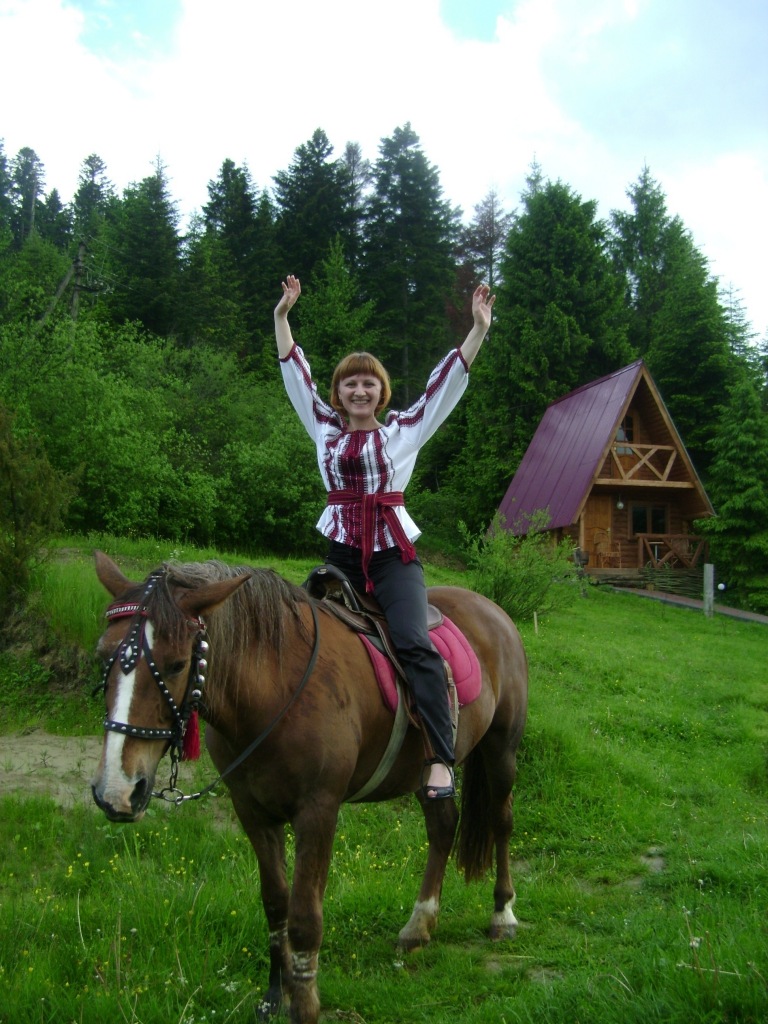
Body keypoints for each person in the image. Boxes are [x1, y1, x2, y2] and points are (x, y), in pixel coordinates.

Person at [274, 275, 495, 799]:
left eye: (368, 383)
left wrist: (478, 330)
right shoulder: (323, 428)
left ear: (381, 393)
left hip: (393, 557)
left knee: (414, 643)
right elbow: (295, 375)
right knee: (295, 638)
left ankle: (439, 757)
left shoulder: (404, 431)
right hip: (340, 557)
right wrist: (282, 317)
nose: (359, 390)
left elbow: (444, 386)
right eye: (350, 383)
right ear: (338, 393)